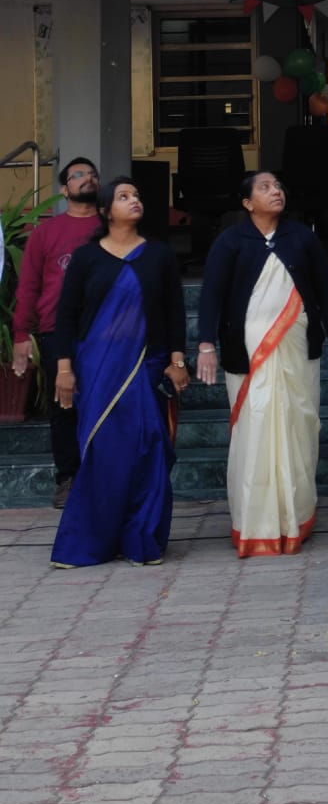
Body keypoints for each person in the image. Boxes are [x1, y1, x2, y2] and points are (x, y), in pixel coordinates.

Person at [196, 171, 328, 556]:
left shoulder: (301, 237)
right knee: (255, 427)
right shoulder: (230, 241)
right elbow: (211, 295)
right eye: (265, 187)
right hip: (246, 354)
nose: (275, 191)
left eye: (279, 186)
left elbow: (326, 294)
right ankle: (255, 521)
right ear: (247, 202)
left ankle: (294, 517)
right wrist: (204, 346)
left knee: (297, 424)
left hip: (298, 350)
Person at [49, 177, 188, 568]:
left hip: (146, 366)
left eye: (137, 195)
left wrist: (177, 362)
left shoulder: (158, 255)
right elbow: (66, 316)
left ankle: (141, 539)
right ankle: (91, 543)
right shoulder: (87, 258)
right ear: (107, 210)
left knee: (149, 449)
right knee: (104, 453)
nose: (134, 200)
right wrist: (64, 369)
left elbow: (174, 312)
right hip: (97, 369)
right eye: (124, 197)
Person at [11, 156, 101, 508]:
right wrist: (21, 335)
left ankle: (104, 474)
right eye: (78, 175)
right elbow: (29, 285)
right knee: (64, 407)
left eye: (92, 174)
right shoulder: (46, 232)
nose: (87, 179)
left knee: (104, 403)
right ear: (64, 189)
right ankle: (69, 478)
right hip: (55, 332)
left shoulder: (111, 226)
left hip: (105, 331)